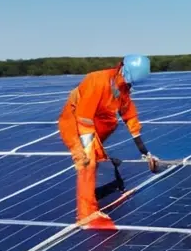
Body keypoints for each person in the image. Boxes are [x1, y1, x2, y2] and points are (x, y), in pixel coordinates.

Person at [58, 55, 158, 226]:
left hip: (98, 120)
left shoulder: (122, 87)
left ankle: (98, 163)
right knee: (87, 162)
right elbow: (83, 118)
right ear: (123, 69)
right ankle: (86, 214)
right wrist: (85, 151)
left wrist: (145, 152)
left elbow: (130, 116)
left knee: (110, 124)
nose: (129, 84)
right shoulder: (96, 81)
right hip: (75, 121)